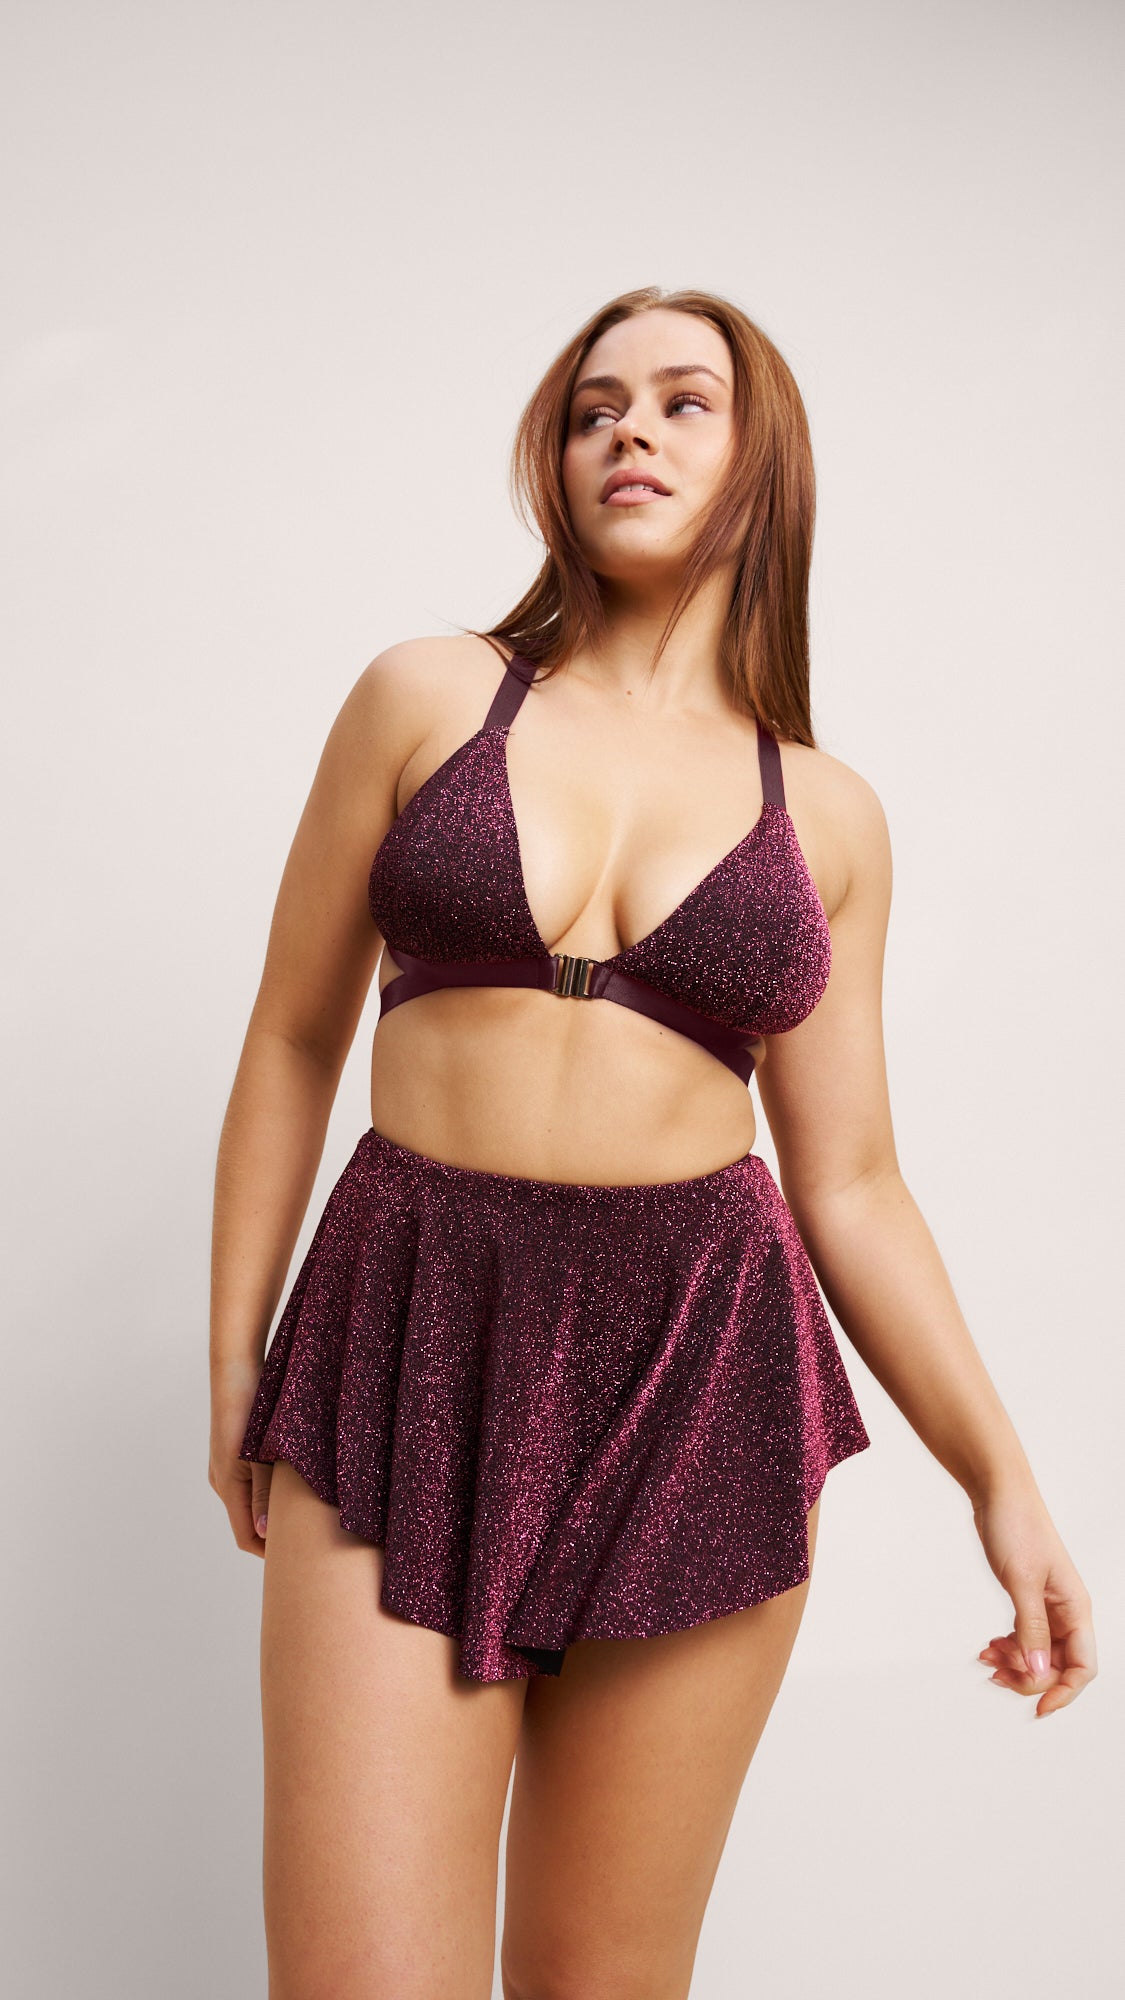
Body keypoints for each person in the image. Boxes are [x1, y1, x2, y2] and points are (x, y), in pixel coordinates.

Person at [209, 286, 1096, 2000]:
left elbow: (851, 1181)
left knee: (601, 1983)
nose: (630, 429)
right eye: (593, 405)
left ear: (764, 464)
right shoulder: (426, 695)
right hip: (407, 1324)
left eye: (685, 400)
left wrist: (1001, 1480)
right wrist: (236, 1353)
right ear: (553, 461)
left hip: (699, 1366)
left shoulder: (825, 814)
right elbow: (294, 1036)